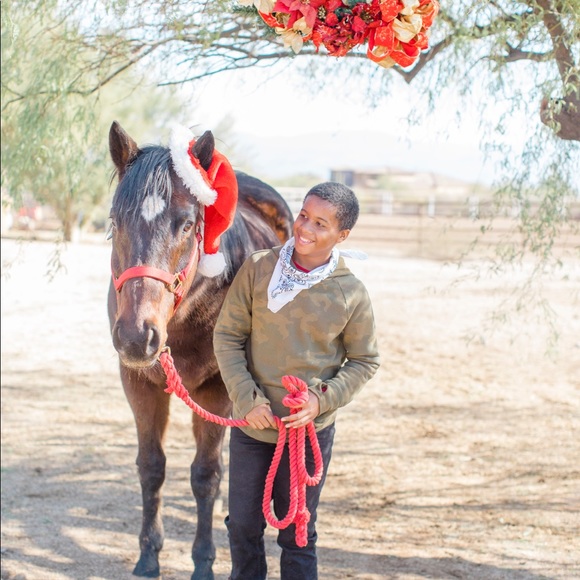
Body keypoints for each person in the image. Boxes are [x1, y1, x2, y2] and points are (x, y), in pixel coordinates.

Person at [213, 181, 381, 580]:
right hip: (253, 427)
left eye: (321, 224)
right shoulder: (258, 268)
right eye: (303, 215)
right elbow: (227, 336)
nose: (305, 228)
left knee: (298, 534)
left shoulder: (350, 293)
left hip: (307, 434)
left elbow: (365, 360)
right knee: (242, 526)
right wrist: (247, 398)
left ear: (342, 235)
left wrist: (321, 400)